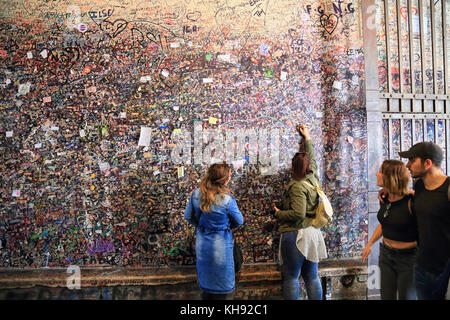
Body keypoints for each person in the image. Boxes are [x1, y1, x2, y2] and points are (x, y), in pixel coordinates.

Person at [273, 124, 327, 300]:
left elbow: (297, 214)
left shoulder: (297, 187)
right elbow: (312, 158)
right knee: (312, 276)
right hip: (312, 233)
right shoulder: (313, 177)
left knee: (291, 277)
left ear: (292, 167)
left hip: (296, 234)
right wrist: (307, 137)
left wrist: (278, 213)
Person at [184, 163, 244, 300]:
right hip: (221, 245)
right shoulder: (227, 200)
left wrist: (201, 226)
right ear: (224, 180)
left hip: (202, 244)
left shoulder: (196, 195)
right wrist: (225, 227)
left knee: (206, 286)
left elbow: (188, 216)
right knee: (222, 288)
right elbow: (239, 221)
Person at [398, 141, 450, 300]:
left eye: (412, 160)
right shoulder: (419, 186)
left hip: (443, 268)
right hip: (421, 263)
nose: (408, 165)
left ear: (427, 163)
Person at [362, 160, 417, 300]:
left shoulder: (412, 202)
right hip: (386, 255)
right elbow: (384, 223)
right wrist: (370, 244)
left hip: (409, 259)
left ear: (390, 177)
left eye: (380, 171)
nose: (376, 173)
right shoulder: (385, 198)